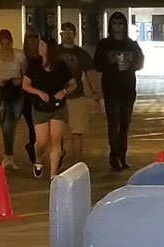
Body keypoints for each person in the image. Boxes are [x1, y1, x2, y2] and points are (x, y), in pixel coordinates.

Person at [94, 12, 144, 170]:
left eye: (121, 23)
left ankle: (122, 155)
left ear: (125, 25)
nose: (118, 27)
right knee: (113, 123)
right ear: (110, 25)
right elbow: (98, 65)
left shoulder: (131, 45)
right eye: (115, 23)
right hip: (110, 90)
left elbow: (140, 62)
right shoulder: (104, 45)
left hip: (128, 90)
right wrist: (113, 64)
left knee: (124, 125)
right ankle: (114, 155)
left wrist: (130, 65)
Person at [23, 35, 76, 180]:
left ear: (49, 49)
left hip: (58, 108)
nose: (39, 48)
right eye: (39, 45)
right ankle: (38, 159)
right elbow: (25, 85)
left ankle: (54, 175)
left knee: (55, 140)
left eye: (42, 45)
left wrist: (63, 92)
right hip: (40, 108)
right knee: (41, 142)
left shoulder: (61, 66)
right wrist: (39, 92)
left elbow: (73, 83)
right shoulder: (34, 64)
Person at [0, 29, 27, 170]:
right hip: (0, 91)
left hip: (16, 91)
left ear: (12, 42)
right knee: (6, 123)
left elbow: (26, 75)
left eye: (8, 43)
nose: (6, 46)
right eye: (3, 43)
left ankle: (9, 153)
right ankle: (9, 155)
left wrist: (18, 81)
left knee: (14, 119)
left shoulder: (19, 55)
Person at [58, 21, 99, 166]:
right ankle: (59, 155)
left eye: (70, 32)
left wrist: (96, 94)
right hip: (57, 98)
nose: (67, 35)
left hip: (76, 97)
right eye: (64, 32)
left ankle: (76, 161)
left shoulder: (81, 54)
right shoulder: (54, 52)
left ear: (75, 35)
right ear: (61, 34)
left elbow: (90, 73)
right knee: (56, 133)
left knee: (77, 131)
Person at [20, 28, 41, 164]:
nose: (32, 39)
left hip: (41, 96)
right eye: (29, 37)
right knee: (33, 126)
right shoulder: (22, 57)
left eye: (35, 36)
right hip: (27, 97)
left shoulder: (43, 56)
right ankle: (33, 149)